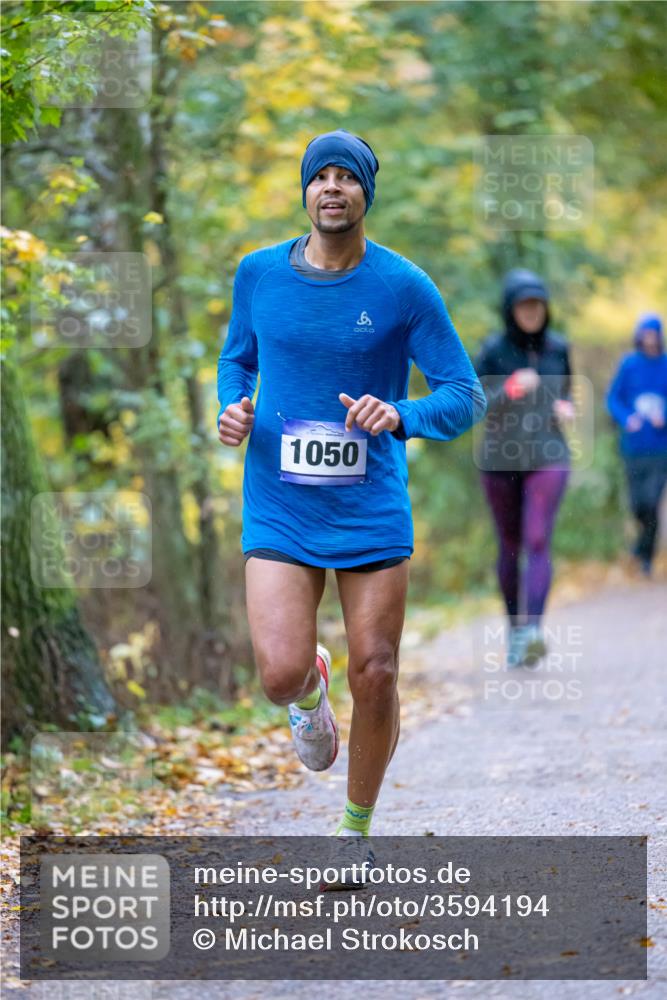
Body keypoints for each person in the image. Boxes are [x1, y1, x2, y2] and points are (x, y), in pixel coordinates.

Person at [216, 128, 486, 884]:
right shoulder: (259, 274)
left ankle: (354, 831)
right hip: (278, 503)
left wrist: (400, 415)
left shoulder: (402, 287)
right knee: (276, 673)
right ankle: (308, 690)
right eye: (319, 176)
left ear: (366, 194)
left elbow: (465, 395)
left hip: (368, 506)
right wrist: (231, 406)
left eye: (347, 177)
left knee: (378, 669)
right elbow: (235, 357)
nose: (331, 187)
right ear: (305, 192)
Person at [474, 269, 574, 668]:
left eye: (537, 304)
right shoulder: (493, 350)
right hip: (501, 459)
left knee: (537, 539)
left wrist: (563, 406)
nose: (531, 312)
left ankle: (533, 629)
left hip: (549, 454)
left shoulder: (558, 348)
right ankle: (515, 630)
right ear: (510, 309)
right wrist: (509, 389)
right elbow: (474, 402)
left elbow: (564, 391)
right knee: (509, 545)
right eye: (523, 305)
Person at [606, 313, 667, 576]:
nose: (650, 339)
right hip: (632, 447)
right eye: (646, 334)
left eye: (654, 334)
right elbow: (612, 398)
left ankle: (645, 557)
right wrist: (625, 417)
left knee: (652, 501)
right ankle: (642, 546)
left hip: (660, 448)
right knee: (637, 504)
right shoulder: (629, 365)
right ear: (640, 336)